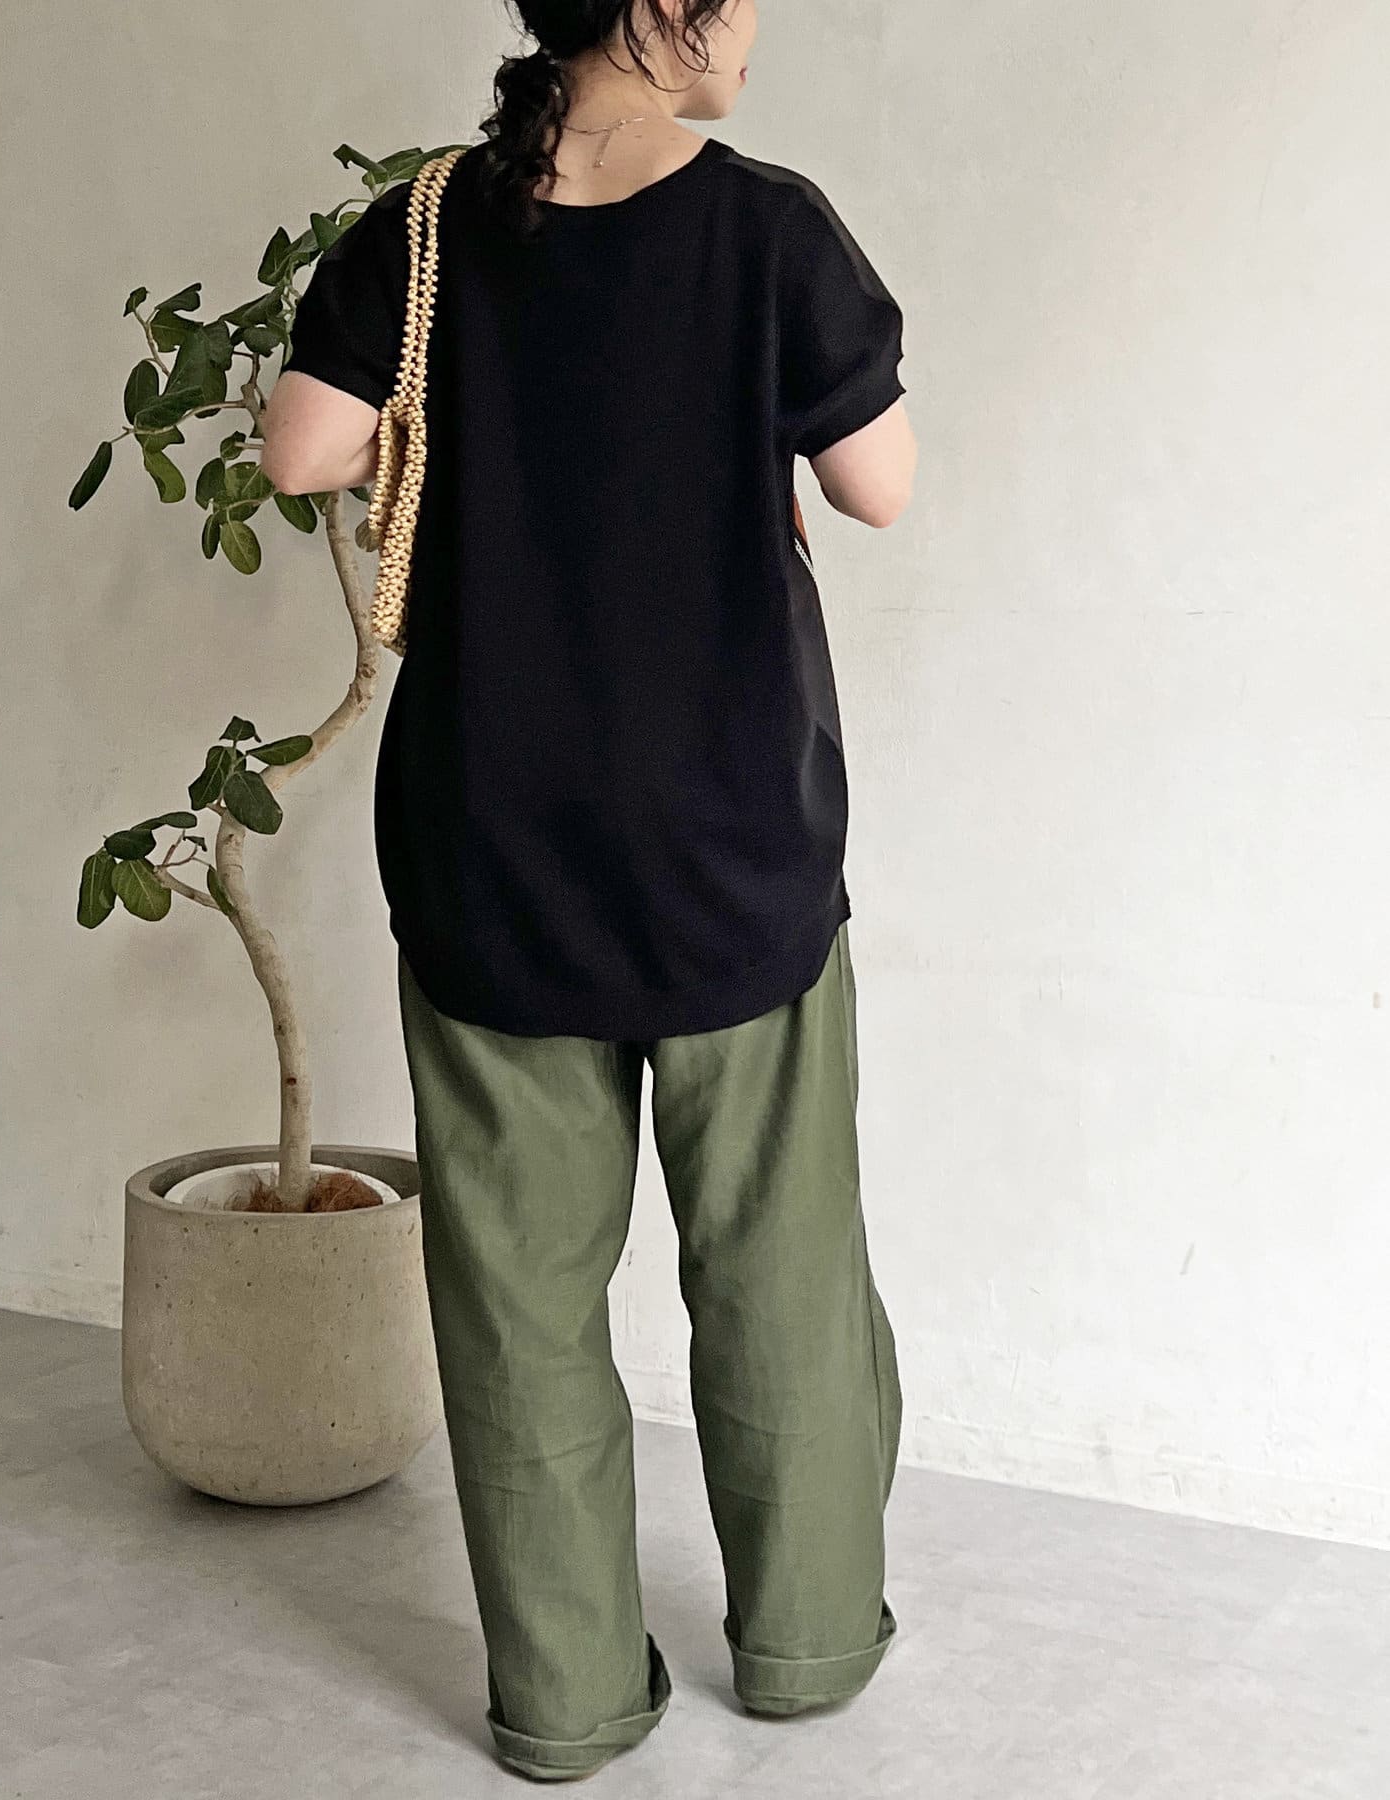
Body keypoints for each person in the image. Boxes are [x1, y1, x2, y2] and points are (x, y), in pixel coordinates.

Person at [263, 0, 916, 1782]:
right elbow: (879, 485)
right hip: (732, 845)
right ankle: (804, 1643)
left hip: (493, 843)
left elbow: (299, 453)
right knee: (779, 1268)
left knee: (517, 1307)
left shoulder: (419, 227)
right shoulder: (768, 228)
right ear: (660, 8)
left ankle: (561, 1702)